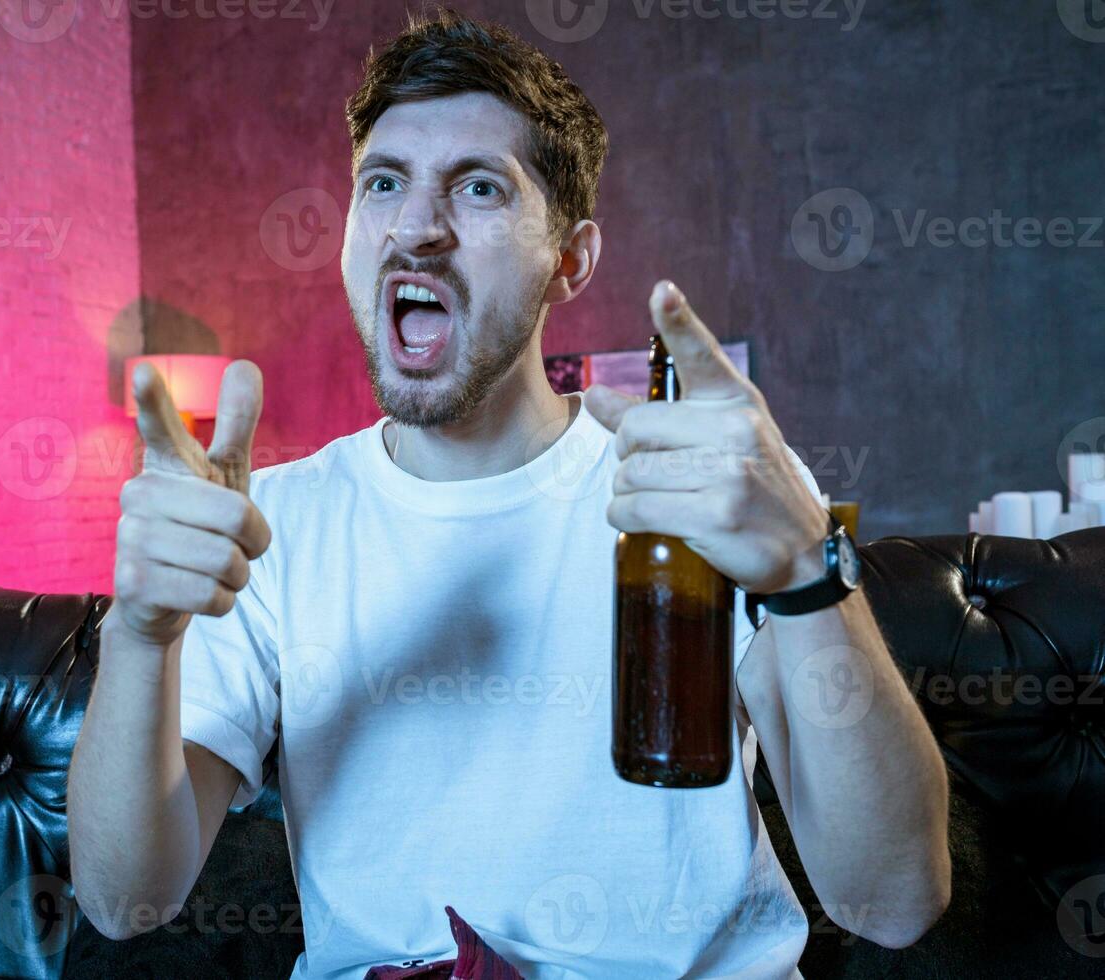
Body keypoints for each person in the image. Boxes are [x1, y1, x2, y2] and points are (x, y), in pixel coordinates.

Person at [68, 9, 950, 978]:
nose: (418, 226)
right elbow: (124, 900)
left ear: (569, 260)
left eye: (479, 187)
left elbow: (895, 899)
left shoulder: (710, 489)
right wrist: (139, 633)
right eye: (384, 183)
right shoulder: (268, 525)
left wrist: (807, 571)